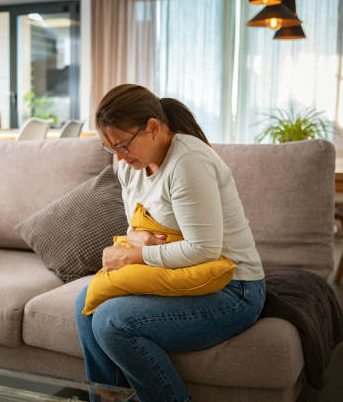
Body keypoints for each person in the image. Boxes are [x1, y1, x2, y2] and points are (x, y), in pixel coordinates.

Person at [74, 84, 266, 402]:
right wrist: (137, 238)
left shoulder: (187, 162)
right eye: (111, 149)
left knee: (112, 321)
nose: (119, 157)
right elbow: (134, 225)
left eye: (123, 145)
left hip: (234, 288)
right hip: (183, 275)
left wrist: (137, 254)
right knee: (86, 304)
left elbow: (203, 249)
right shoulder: (130, 166)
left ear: (153, 127)